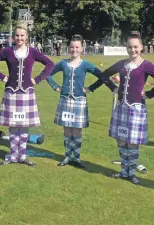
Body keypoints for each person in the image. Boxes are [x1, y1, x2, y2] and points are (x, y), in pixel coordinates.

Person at [102, 31, 154, 185]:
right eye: (129, 47)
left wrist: (149, 94)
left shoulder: (146, 65)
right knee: (121, 140)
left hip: (136, 108)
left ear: (141, 47)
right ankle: (123, 170)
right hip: (121, 107)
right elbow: (103, 75)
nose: (132, 50)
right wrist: (113, 87)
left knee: (132, 142)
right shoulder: (121, 64)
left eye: (135, 47)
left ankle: (131, 173)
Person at [46, 34, 116, 168]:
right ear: (69, 48)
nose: (74, 49)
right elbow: (48, 73)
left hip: (79, 100)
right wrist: (55, 87)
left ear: (81, 48)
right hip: (65, 100)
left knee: (77, 131)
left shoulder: (85, 64)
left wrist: (91, 88)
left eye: (77, 47)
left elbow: (102, 76)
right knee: (67, 130)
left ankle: (76, 158)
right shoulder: (63, 63)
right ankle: (67, 157)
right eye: (72, 47)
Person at [0, 21, 54, 166]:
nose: (19, 38)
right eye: (17, 35)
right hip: (11, 93)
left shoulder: (33, 52)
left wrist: (37, 79)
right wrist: (3, 77)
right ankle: (12, 155)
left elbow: (50, 64)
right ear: (13, 37)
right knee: (12, 125)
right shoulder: (7, 51)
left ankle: (22, 156)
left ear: (27, 37)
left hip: (26, 93)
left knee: (23, 125)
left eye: (22, 35)